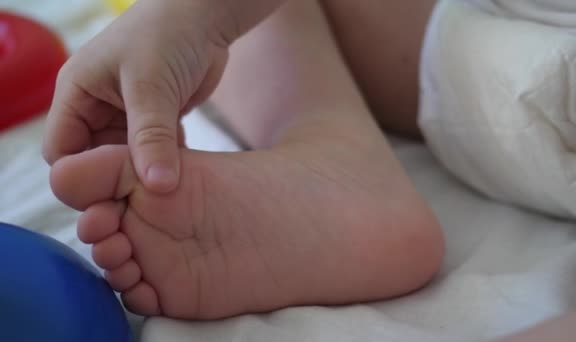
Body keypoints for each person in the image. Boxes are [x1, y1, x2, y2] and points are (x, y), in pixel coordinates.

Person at [45, 0, 443, 319]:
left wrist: (189, 13)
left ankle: (332, 138)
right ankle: (341, 160)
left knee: (252, 16)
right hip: (468, 60)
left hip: (457, 57)